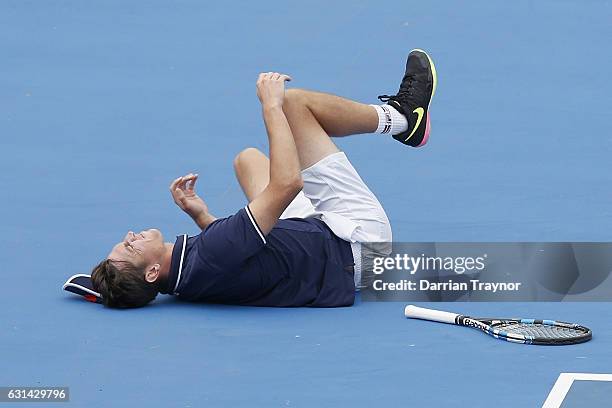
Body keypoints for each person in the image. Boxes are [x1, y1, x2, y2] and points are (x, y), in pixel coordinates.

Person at [90, 49, 437, 308]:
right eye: (131, 246)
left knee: (248, 161)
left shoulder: (184, 277)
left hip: (313, 251)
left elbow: (233, 257)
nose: (131, 235)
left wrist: (201, 217)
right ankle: (403, 119)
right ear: (152, 273)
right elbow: (288, 186)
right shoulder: (213, 250)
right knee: (294, 105)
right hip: (359, 243)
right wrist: (271, 107)